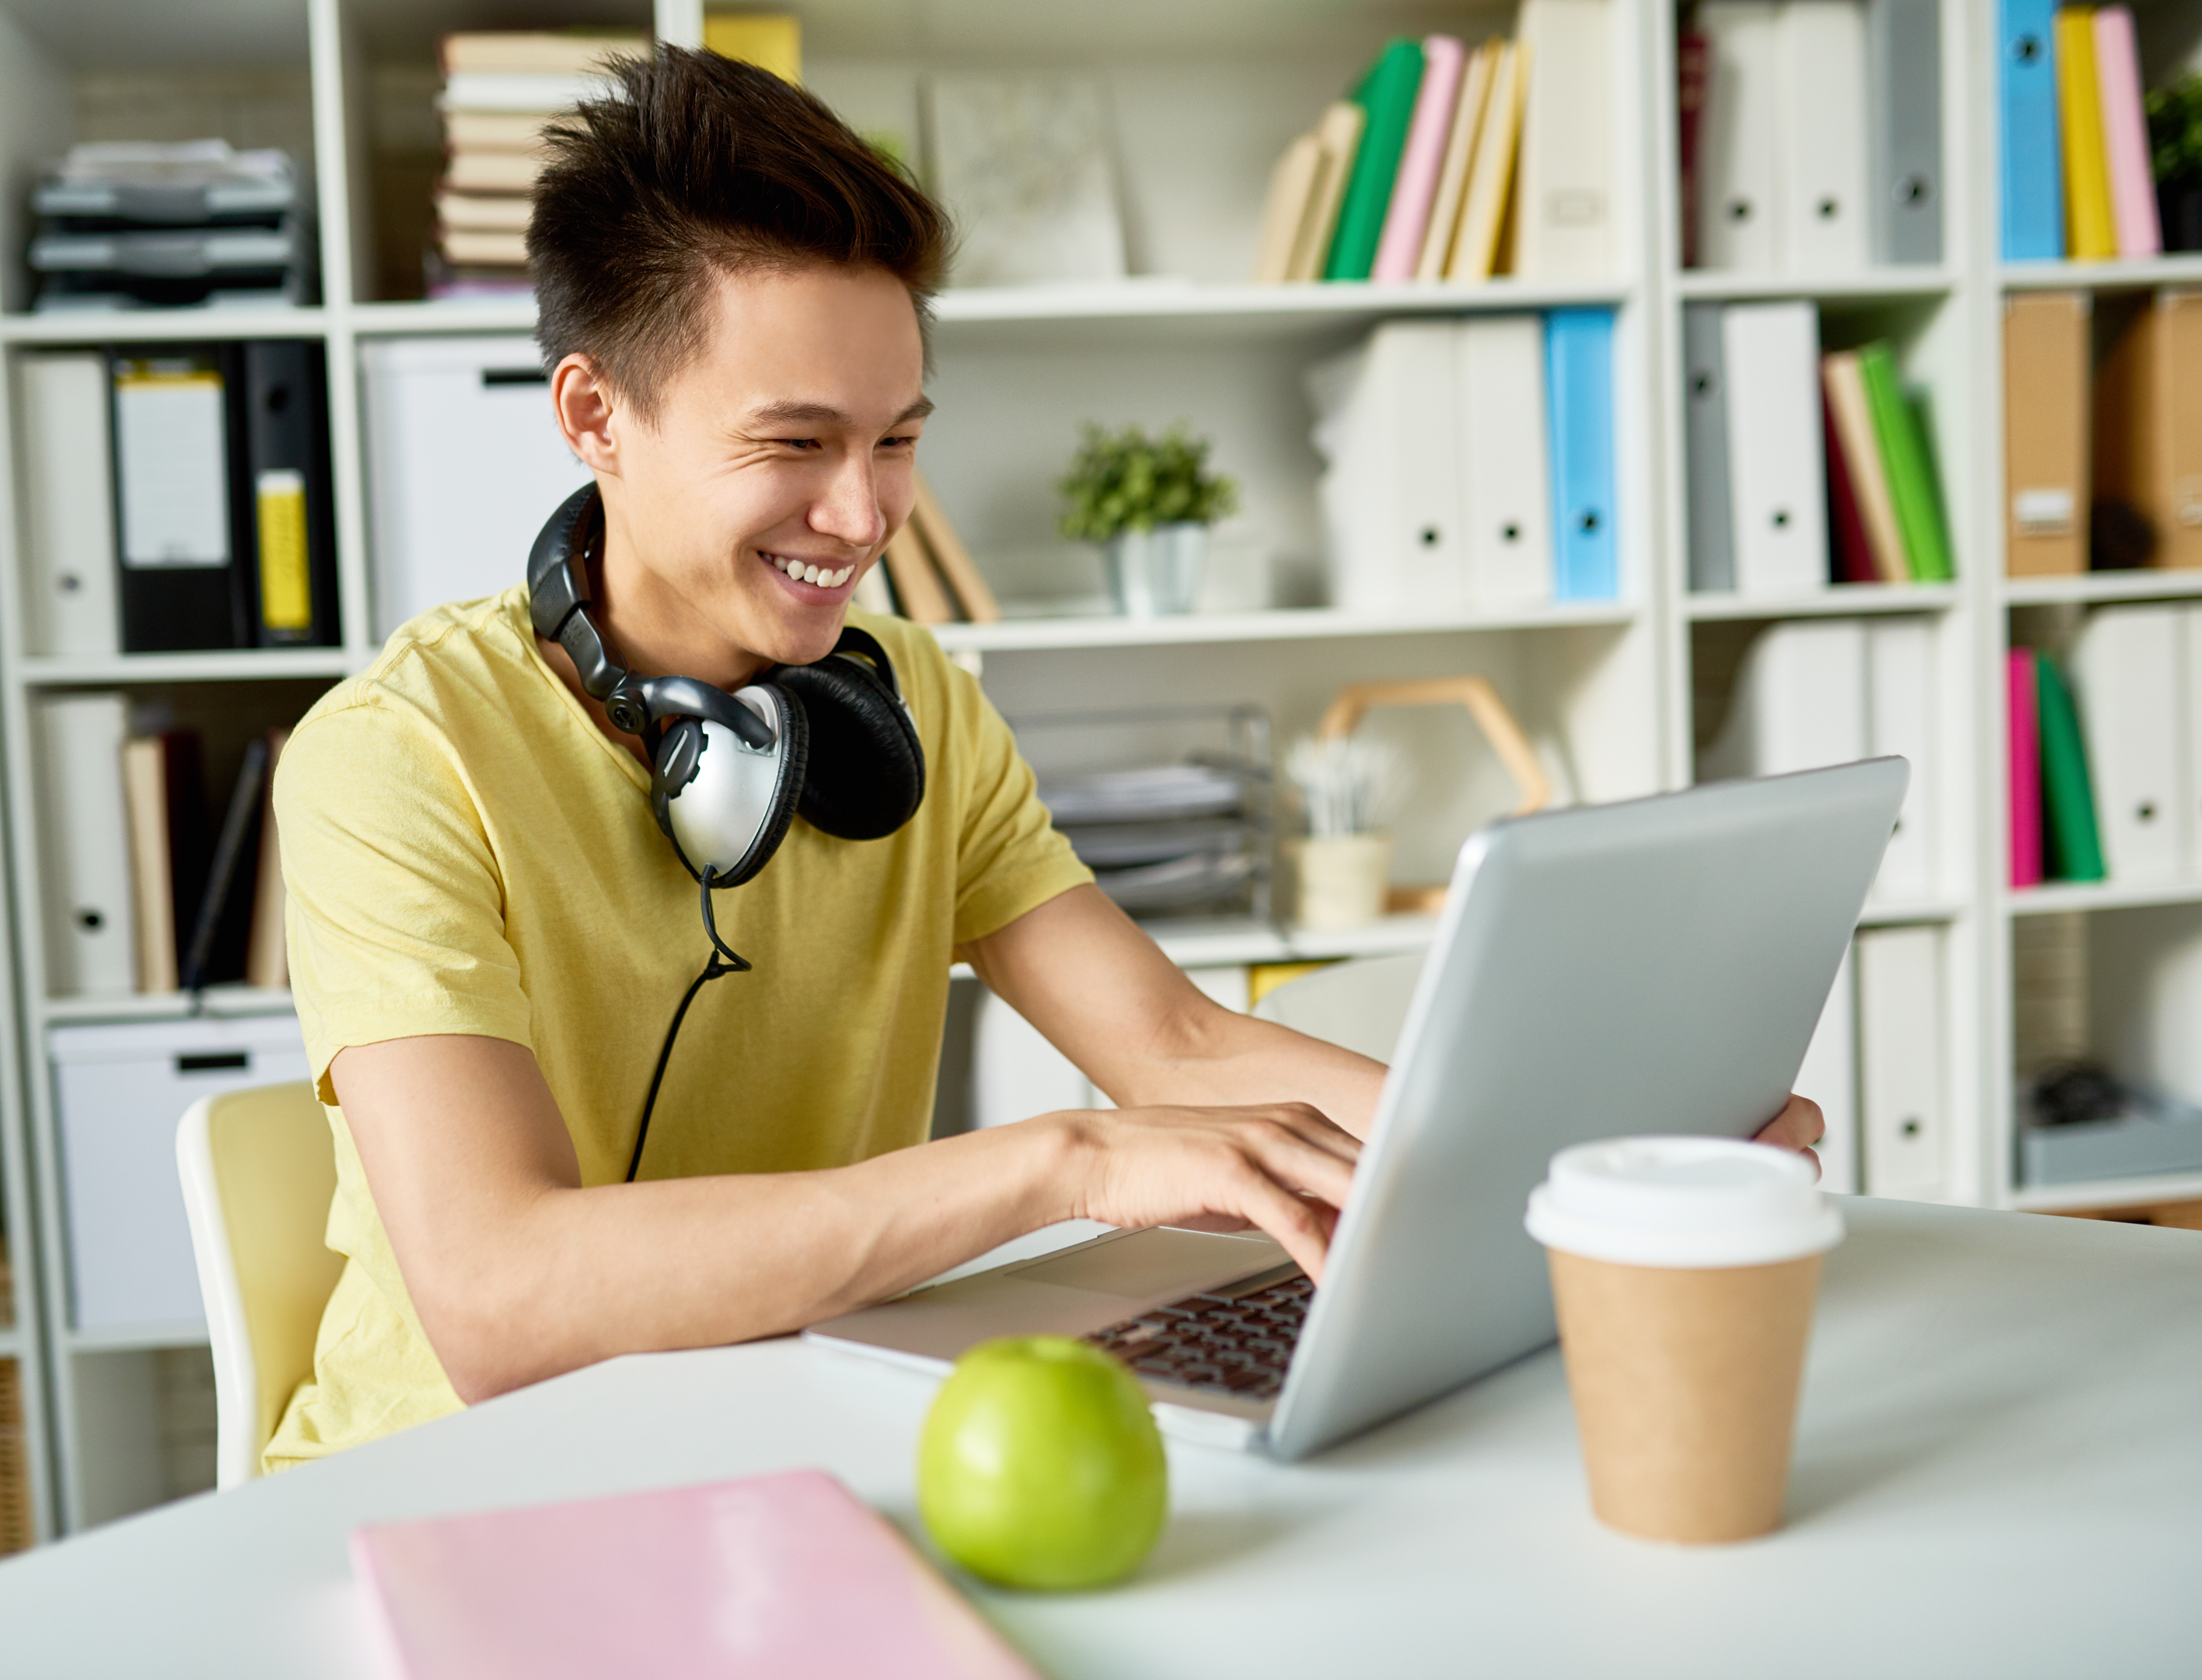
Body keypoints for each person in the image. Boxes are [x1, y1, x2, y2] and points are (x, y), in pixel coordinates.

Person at [265, 47, 1820, 1470]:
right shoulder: (395, 765)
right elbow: (503, 1299)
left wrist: (1591, 1156)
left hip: (783, 1432)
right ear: (594, 414)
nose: (868, 517)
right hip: (444, 1492)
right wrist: (1060, 1161)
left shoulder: (910, 705)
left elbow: (1181, 1051)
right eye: (796, 445)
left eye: (897, 438)